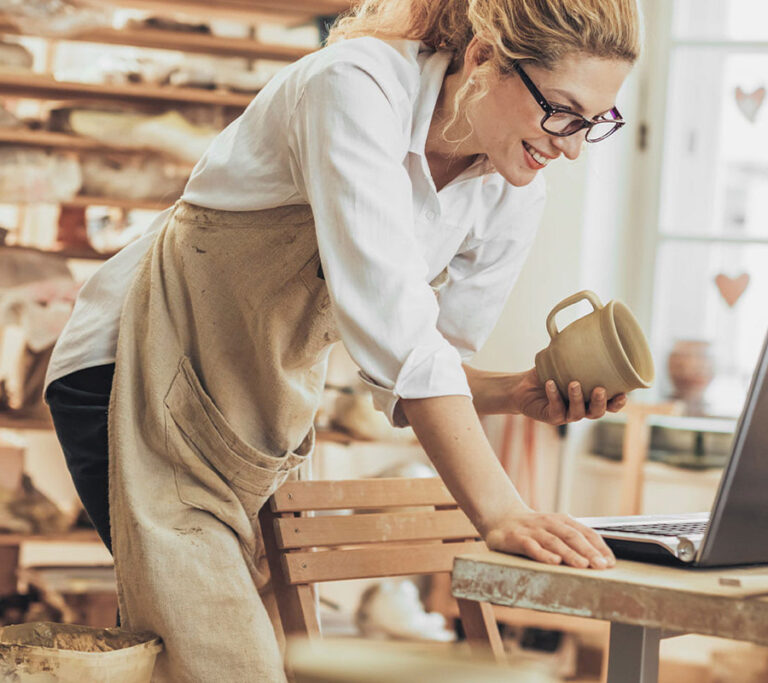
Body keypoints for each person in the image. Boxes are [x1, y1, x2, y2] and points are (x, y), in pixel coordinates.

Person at [44, 0, 642, 679]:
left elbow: (420, 369)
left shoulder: (511, 187)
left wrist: (516, 393)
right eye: (560, 110)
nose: (568, 145)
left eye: (593, 123)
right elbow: (405, 348)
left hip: (252, 417)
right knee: (220, 658)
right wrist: (501, 510)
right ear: (482, 57)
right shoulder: (354, 87)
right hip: (130, 373)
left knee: (269, 655)